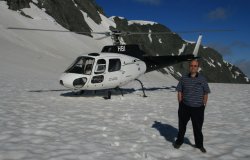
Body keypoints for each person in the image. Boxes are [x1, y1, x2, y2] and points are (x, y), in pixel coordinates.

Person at [174, 60, 211, 153]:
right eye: (191, 65)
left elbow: (206, 93)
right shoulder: (184, 78)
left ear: (198, 67)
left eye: (195, 66)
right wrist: (180, 103)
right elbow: (179, 90)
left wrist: (204, 105)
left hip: (198, 108)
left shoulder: (202, 79)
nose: (193, 67)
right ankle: (179, 141)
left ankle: (199, 145)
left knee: (197, 128)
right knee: (182, 126)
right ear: (189, 66)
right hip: (185, 107)